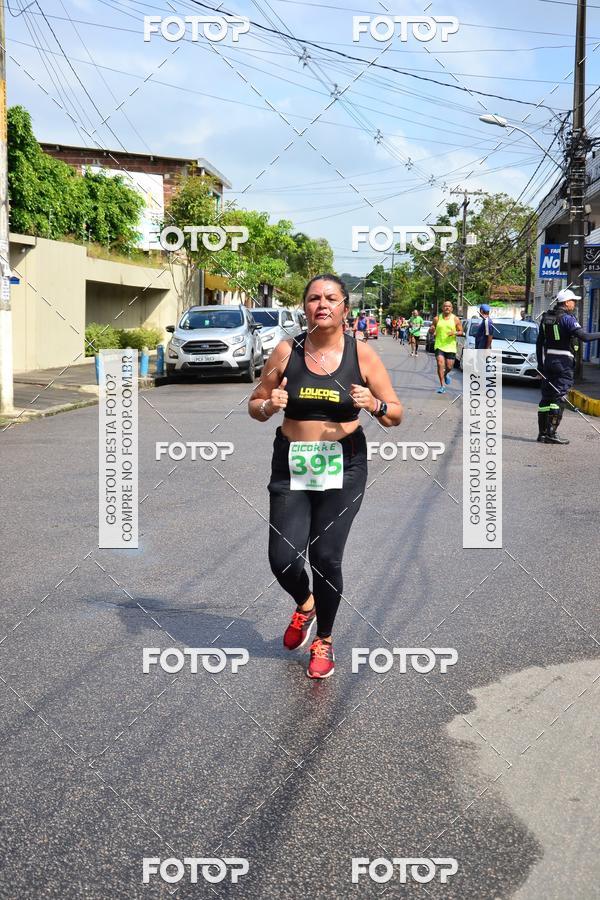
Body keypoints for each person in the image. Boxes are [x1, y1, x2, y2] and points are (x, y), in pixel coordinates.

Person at [248, 274, 403, 678]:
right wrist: (269, 405)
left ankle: (325, 640)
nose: (322, 304)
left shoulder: (362, 355)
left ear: (344, 308)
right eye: (314, 298)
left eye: (331, 298)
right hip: (291, 462)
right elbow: (255, 403)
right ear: (305, 308)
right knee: (282, 558)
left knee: (325, 556)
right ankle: (306, 605)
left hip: (344, 464)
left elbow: (397, 415)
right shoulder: (287, 351)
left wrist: (375, 404)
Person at [536, 288, 600, 444]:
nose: (575, 303)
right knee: (559, 398)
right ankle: (552, 434)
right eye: (573, 301)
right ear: (566, 302)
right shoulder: (568, 319)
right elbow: (584, 337)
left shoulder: (546, 318)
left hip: (549, 362)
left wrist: (540, 365)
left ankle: (543, 433)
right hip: (563, 364)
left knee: (546, 398)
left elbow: (539, 343)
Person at [429, 301, 463, 393]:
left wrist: (454, 332)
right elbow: (431, 330)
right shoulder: (437, 319)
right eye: (445, 306)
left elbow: (461, 331)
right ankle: (442, 386)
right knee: (440, 364)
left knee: (449, 366)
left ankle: (445, 374)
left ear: (451, 309)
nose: (447, 308)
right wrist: (431, 330)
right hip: (439, 345)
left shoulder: (455, 319)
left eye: (449, 306)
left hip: (451, 346)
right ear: (442, 308)